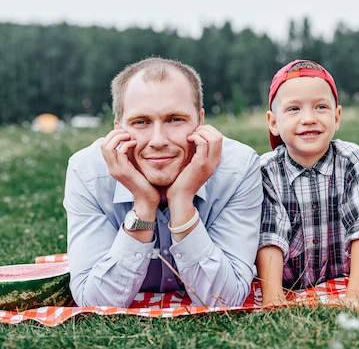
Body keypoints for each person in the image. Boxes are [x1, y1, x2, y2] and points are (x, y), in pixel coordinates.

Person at [64, 57, 263, 308]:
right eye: (141, 122)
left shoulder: (238, 168)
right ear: (118, 128)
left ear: (200, 122)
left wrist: (182, 199)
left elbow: (224, 299)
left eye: (175, 119)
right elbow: (95, 302)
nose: (158, 140)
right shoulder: (87, 172)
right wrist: (144, 204)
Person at [256, 59, 359, 307]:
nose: (309, 118)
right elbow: (269, 234)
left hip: (343, 274)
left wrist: (357, 295)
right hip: (287, 281)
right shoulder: (266, 170)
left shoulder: (351, 160)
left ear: (337, 117)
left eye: (321, 107)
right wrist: (273, 297)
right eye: (293, 109)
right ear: (273, 122)